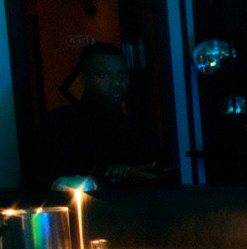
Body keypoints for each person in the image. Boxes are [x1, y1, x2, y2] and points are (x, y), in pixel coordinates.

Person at [39, 43, 164, 187]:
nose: (117, 83)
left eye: (122, 73)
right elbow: (50, 178)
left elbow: (156, 170)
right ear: (84, 78)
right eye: (105, 75)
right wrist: (114, 175)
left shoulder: (137, 127)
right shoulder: (59, 124)